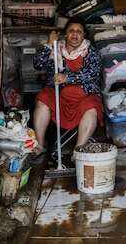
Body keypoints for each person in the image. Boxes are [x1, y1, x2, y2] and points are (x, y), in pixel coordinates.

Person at [32, 17, 103, 155]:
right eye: (71, 31)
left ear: (84, 35)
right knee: (43, 98)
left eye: (79, 32)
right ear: (65, 33)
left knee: (92, 108)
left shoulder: (91, 52)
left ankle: (78, 151)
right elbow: (37, 64)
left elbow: (93, 74)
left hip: (85, 97)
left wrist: (67, 78)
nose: (75, 34)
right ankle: (40, 145)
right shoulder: (56, 48)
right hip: (59, 96)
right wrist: (49, 44)